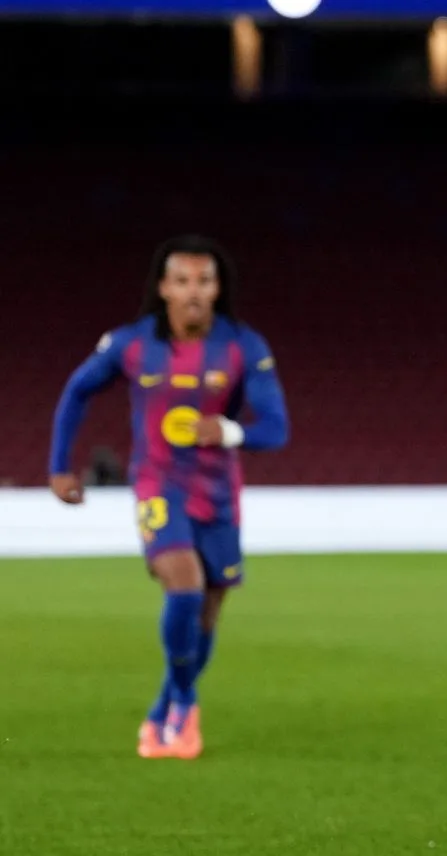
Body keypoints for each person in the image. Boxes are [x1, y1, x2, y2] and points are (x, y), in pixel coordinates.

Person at [48, 235, 291, 759]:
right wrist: (58, 467)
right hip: (158, 486)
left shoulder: (243, 346)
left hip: (219, 496)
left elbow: (275, 428)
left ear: (218, 288)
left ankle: (166, 707)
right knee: (184, 584)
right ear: (163, 288)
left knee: (206, 613)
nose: (193, 292)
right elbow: (76, 392)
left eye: (204, 281)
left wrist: (227, 431)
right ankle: (185, 703)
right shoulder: (132, 345)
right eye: (181, 281)